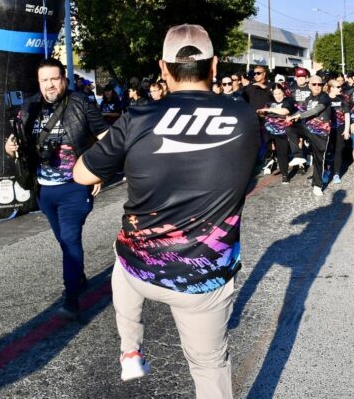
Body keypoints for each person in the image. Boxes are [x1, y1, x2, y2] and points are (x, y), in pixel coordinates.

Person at [74, 24, 259, 393]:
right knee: (209, 366)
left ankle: (130, 349)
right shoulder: (246, 118)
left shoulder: (138, 117)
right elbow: (247, 174)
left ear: (163, 68)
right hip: (202, 276)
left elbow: (81, 173)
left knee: (121, 251)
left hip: (139, 268)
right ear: (215, 65)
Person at [4, 58, 108, 318]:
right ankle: (79, 280)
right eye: (45, 80)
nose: (50, 85)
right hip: (44, 190)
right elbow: (17, 142)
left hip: (75, 187)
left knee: (71, 240)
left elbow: (108, 140)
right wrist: (10, 148)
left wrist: (98, 174)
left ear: (65, 79)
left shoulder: (81, 104)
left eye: (54, 78)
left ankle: (71, 299)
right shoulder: (29, 107)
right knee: (64, 242)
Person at [286, 75, 331, 196]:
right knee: (290, 127)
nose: (317, 86)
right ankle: (298, 155)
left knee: (318, 160)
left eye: (320, 84)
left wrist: (299, 116)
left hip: (321, 134)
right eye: (314, 84)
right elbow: (301, 110)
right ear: (310, 85)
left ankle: (317, 185)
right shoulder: (308, 98)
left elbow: (316, 110)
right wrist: (291, 116)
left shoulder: (325, 97)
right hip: (307, 129)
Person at [258, 84, 295, 183]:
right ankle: (269, 163)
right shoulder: (269, 102)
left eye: (279, 93)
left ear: (283, 93)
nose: (278, 96)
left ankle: (285, 175)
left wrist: (269, 110)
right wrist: (261, 113)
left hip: (282, 131)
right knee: (265, 145)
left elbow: (285, 111)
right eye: (275, 94)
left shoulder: (288, 101)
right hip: (269, 130)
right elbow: (263, 114)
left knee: (282, 154)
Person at [324, 77, 350, 184]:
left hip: (340, 127)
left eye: (340, 86)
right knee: (327, 151)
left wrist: (347, 129)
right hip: (327, 129)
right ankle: (326, 171)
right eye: (338, 87)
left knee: (338, 151)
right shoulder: (324, 99)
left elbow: (347, 114)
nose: (340, 88)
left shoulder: (342, 99)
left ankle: (336, 173)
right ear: (331, 88)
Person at [287, 67, 312, 170]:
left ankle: (308, 154)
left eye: (303, 77)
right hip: (295, 119)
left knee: (310, 140)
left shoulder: (311, 87)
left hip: (309, 118)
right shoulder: (291, 89)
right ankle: (299, 159)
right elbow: (287, 103)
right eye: (299, 77)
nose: (301, 79)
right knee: (297, 138)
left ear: (306, 78)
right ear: (296, 78)